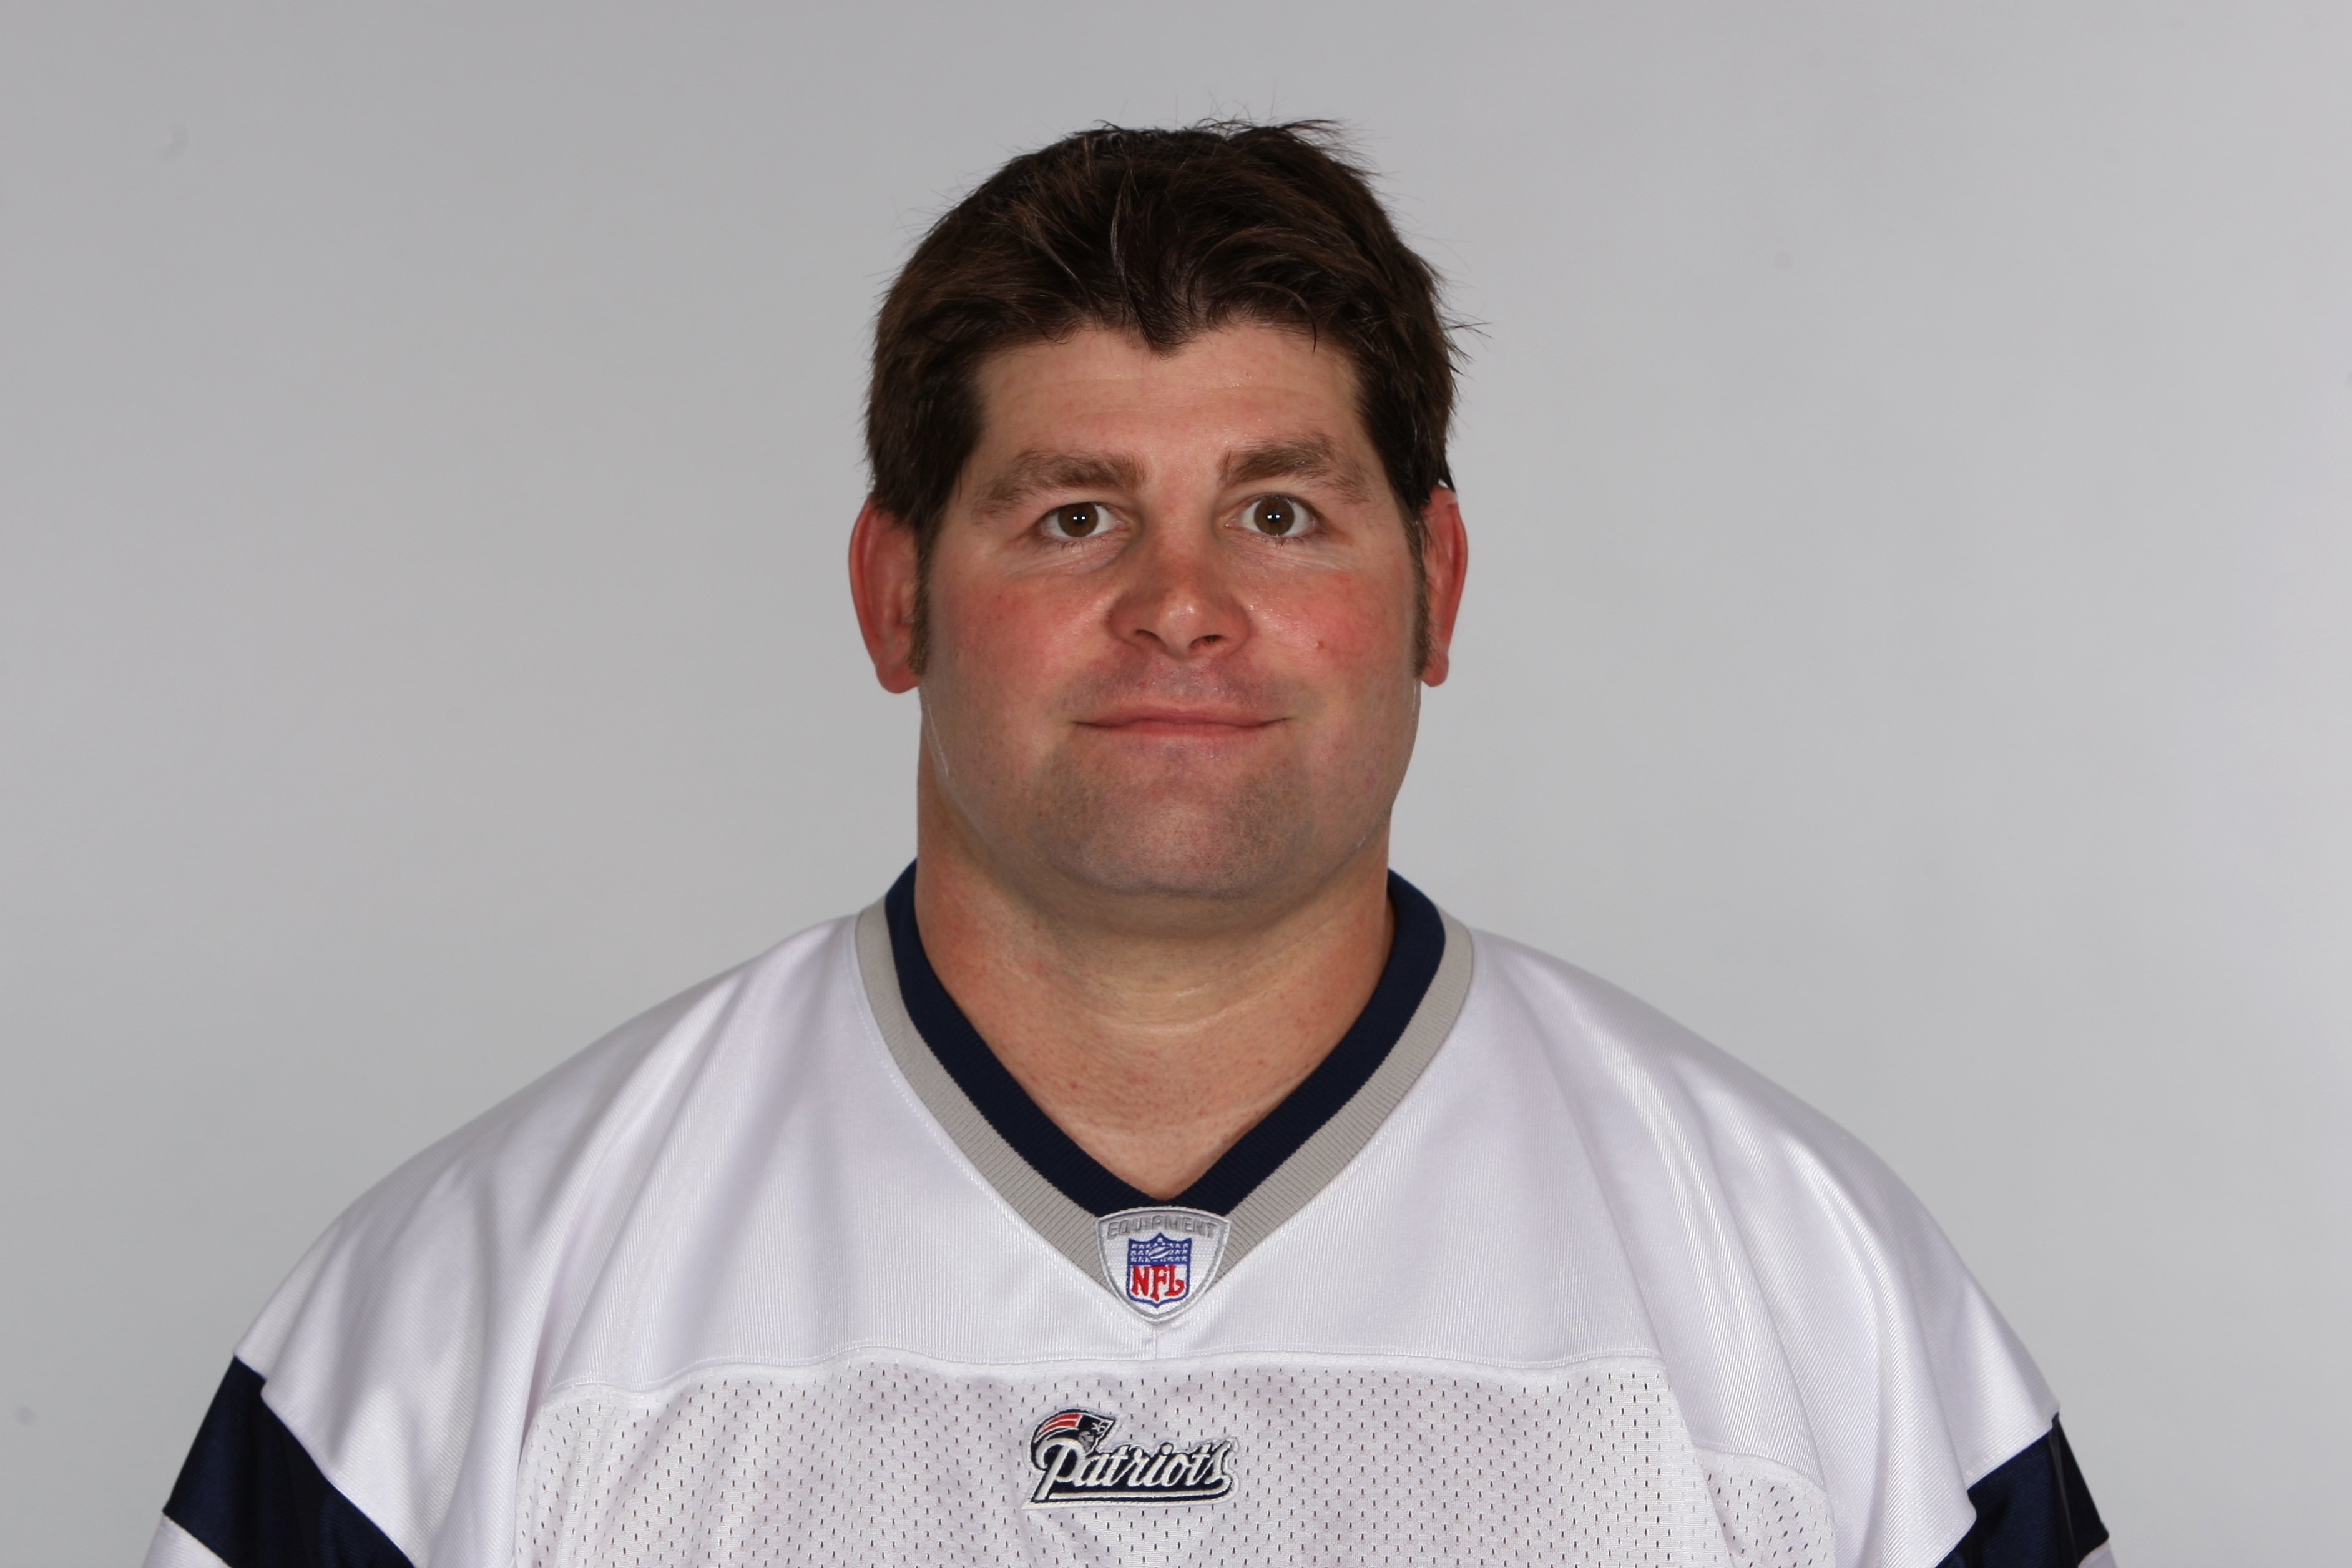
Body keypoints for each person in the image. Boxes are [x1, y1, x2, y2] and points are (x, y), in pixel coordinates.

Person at [144, 121, 2112, 1568]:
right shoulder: (481, 1301)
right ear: (895, 593)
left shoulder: (1809, 1293)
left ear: (1432, 583)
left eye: (1278, 514)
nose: (1183, 605)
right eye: (1075, 515)